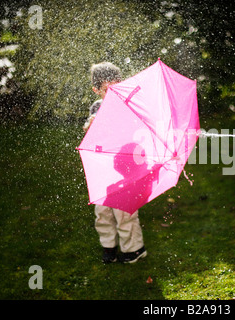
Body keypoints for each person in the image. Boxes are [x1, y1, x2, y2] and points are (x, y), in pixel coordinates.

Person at [84, 62, 147, 264]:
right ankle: (108, 246)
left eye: (116, 84)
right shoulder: (96, 107)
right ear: (96, 89)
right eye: (106, 88)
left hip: (127, 166)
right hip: (103, 166)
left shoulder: (128, 105)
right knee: (103, 210)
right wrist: (90, 125)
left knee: (125, 209)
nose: (112, 91)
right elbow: (90, 131)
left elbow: (135, 131)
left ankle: (134, 249)